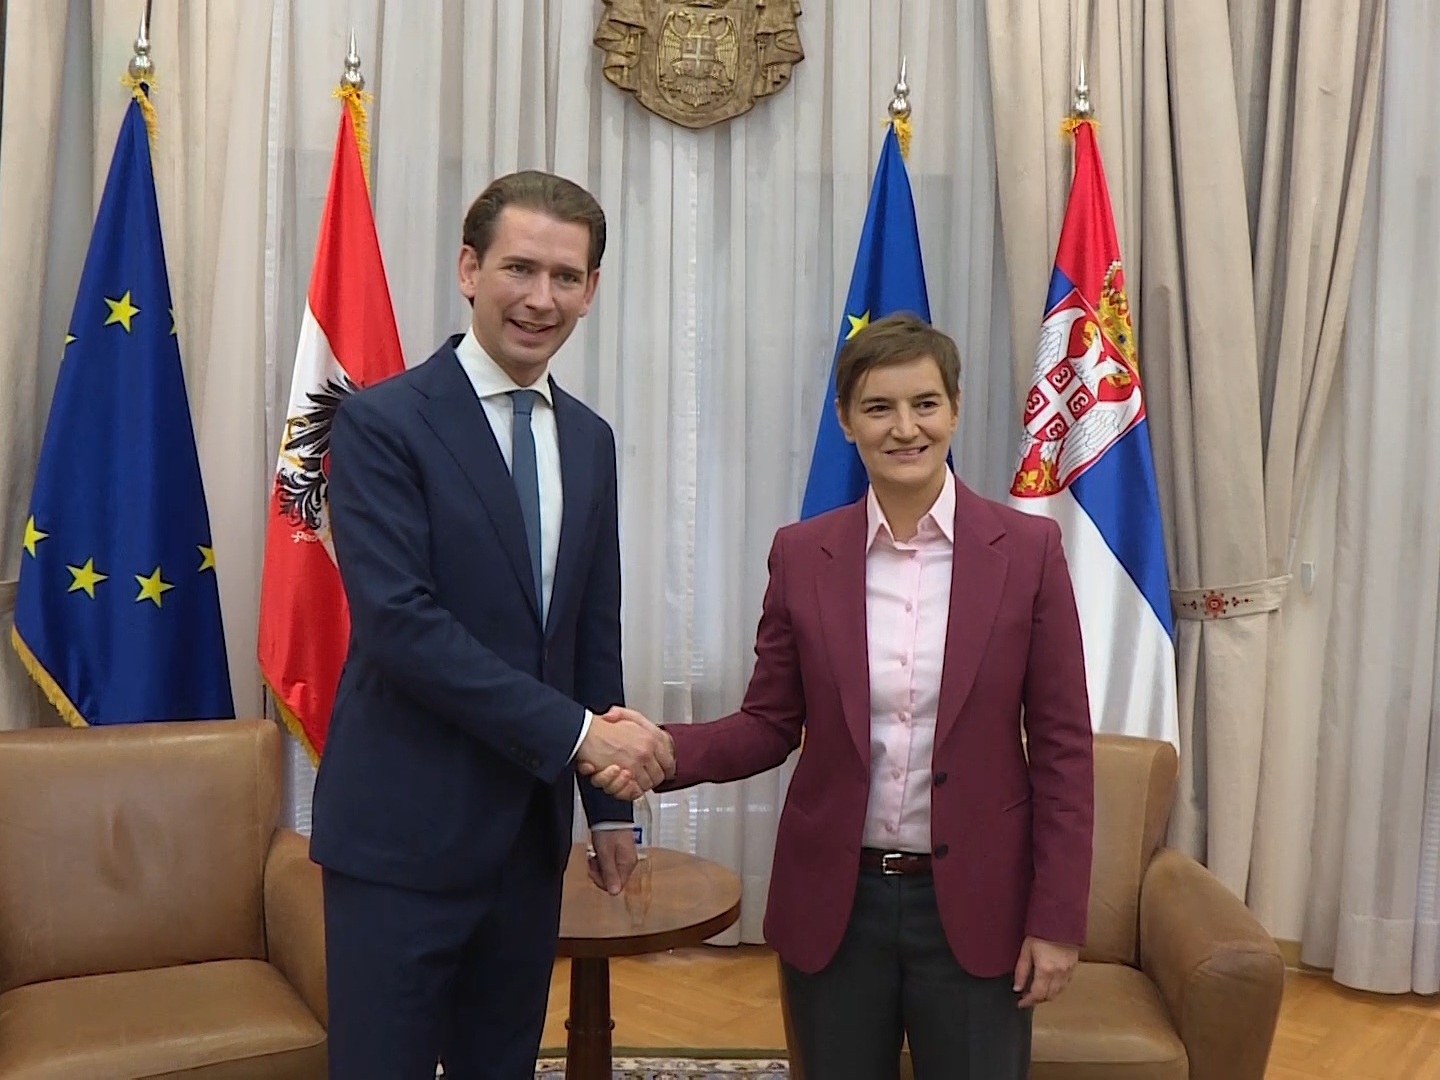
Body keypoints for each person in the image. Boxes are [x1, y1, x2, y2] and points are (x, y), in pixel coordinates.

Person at [592, 313, 1094, 1079]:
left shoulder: (1027, 553)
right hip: (836, 904)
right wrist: (662, 750)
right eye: (879, 407)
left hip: (979, 905)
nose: (905, 428)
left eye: (925, 404)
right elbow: (768, 724)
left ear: (955, 408)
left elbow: (1063, 751)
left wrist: (1056, 920)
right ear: (846, 419)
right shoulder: (802, 555)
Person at [311, 170, 673, 1080]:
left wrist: (609, 810)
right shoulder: (381, 423)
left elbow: (590, 632)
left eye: (565, 276)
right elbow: (401, 627)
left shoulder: (589, 439)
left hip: (525, 840)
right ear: (469, 270)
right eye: (520, 268)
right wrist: (582, 736)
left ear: (591, 290)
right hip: (400, 838)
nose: (541, 298)